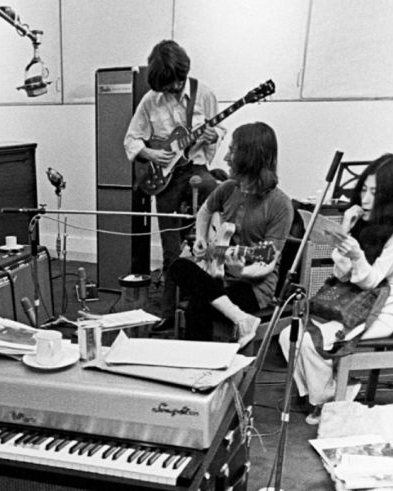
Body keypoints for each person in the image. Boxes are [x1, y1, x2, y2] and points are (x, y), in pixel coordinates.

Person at [280, 154, 393, 425]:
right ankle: (330, 392)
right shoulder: (372, 220)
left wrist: (356, 254)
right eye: (364, 190)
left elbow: (372, 280)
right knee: (288, 336)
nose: (366, 199)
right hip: (356, 302)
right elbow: (339, 274)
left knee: (309, 342)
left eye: (375, 193)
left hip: (384, 311)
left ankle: (328, 397)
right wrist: (345, 232)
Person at [123, 40, 223, 331]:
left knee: (214, 206)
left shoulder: (204, 94)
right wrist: (152, 153)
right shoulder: (150, 101)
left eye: (176, 84)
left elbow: (219, 132)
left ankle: (204, 304)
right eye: (166, 87)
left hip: (198, 169)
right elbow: (131, 140)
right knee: (171, 249)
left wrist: (211, 137)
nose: (173, 90)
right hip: (165, 178)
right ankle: (167, 311)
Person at [169, 122, 293, 346]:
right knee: (178, 266)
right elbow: (205, 211)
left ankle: (200, 371)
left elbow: (267, 261)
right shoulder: (228, 188)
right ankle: (242, 319)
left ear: (250, 156)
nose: (226, 157)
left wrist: (243, 271)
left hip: (254, 288)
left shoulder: (281, 204)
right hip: (221, 276)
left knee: (199, 305)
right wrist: (201, 239)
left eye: (232, 150)